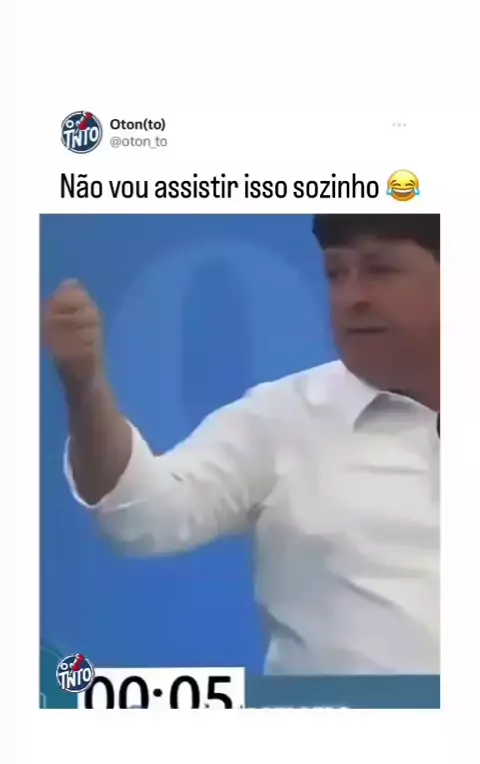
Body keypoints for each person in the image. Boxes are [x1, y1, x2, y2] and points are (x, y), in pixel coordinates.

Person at [43, 213, 440, 675]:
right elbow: (140, 516)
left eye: (381, 270)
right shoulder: (282, 418)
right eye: (336, 274)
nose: (353, 297)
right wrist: (85, 386)